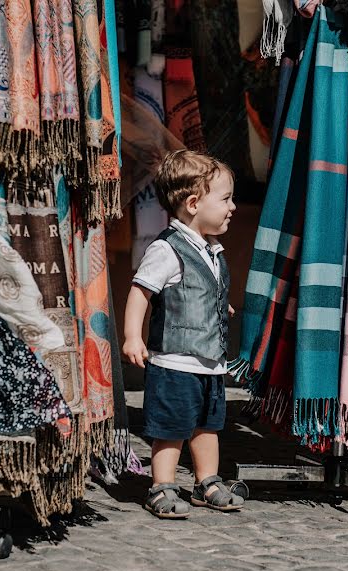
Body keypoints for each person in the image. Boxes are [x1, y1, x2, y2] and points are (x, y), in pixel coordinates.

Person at [122, 149, 243, 519]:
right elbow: (141, 291)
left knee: (208, 426)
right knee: (171, 426)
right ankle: (162, 485)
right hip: (175, 360)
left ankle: (206, 482)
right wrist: (132, 336)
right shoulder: (166, 249)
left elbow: (199, 290)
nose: (233, 207)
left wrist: (218, 305)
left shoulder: (211, 249)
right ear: (193, 203)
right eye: (225, 199)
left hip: (209, 362)